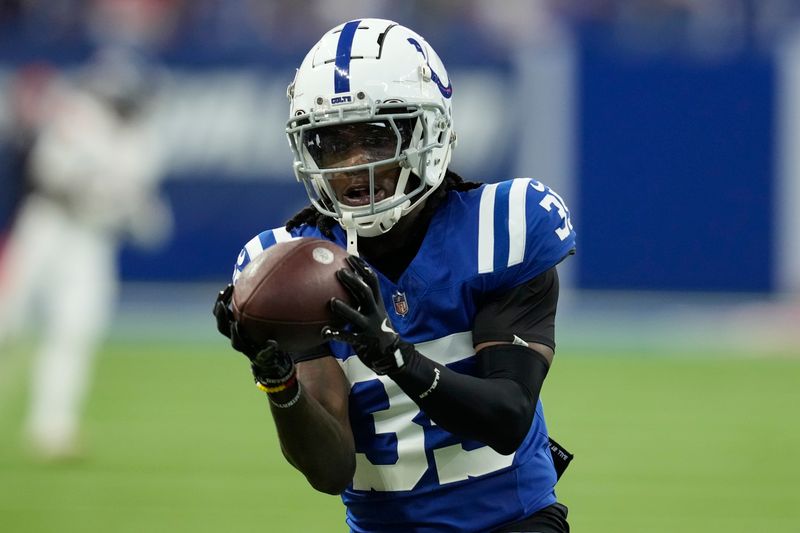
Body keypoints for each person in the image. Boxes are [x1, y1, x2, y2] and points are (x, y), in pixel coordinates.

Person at [214, 18, 575, 532]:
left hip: (511, 522)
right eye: (333, 144)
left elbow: (507, 417)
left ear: (429, 131)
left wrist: (396, 356)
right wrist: (277, 380)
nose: (354, 163)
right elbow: (329, 469)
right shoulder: (288, 266)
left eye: (377, 138)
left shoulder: (506, 225)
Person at [0, 50, 171, 460]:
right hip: (48, 225)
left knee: (75, 331)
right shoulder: (79, 115)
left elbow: (139, 206)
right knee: (7, 320)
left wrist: (130, 210)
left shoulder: (144, 140)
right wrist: (105, 195)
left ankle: (52, 429)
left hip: (92, 240)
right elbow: (51, 174)